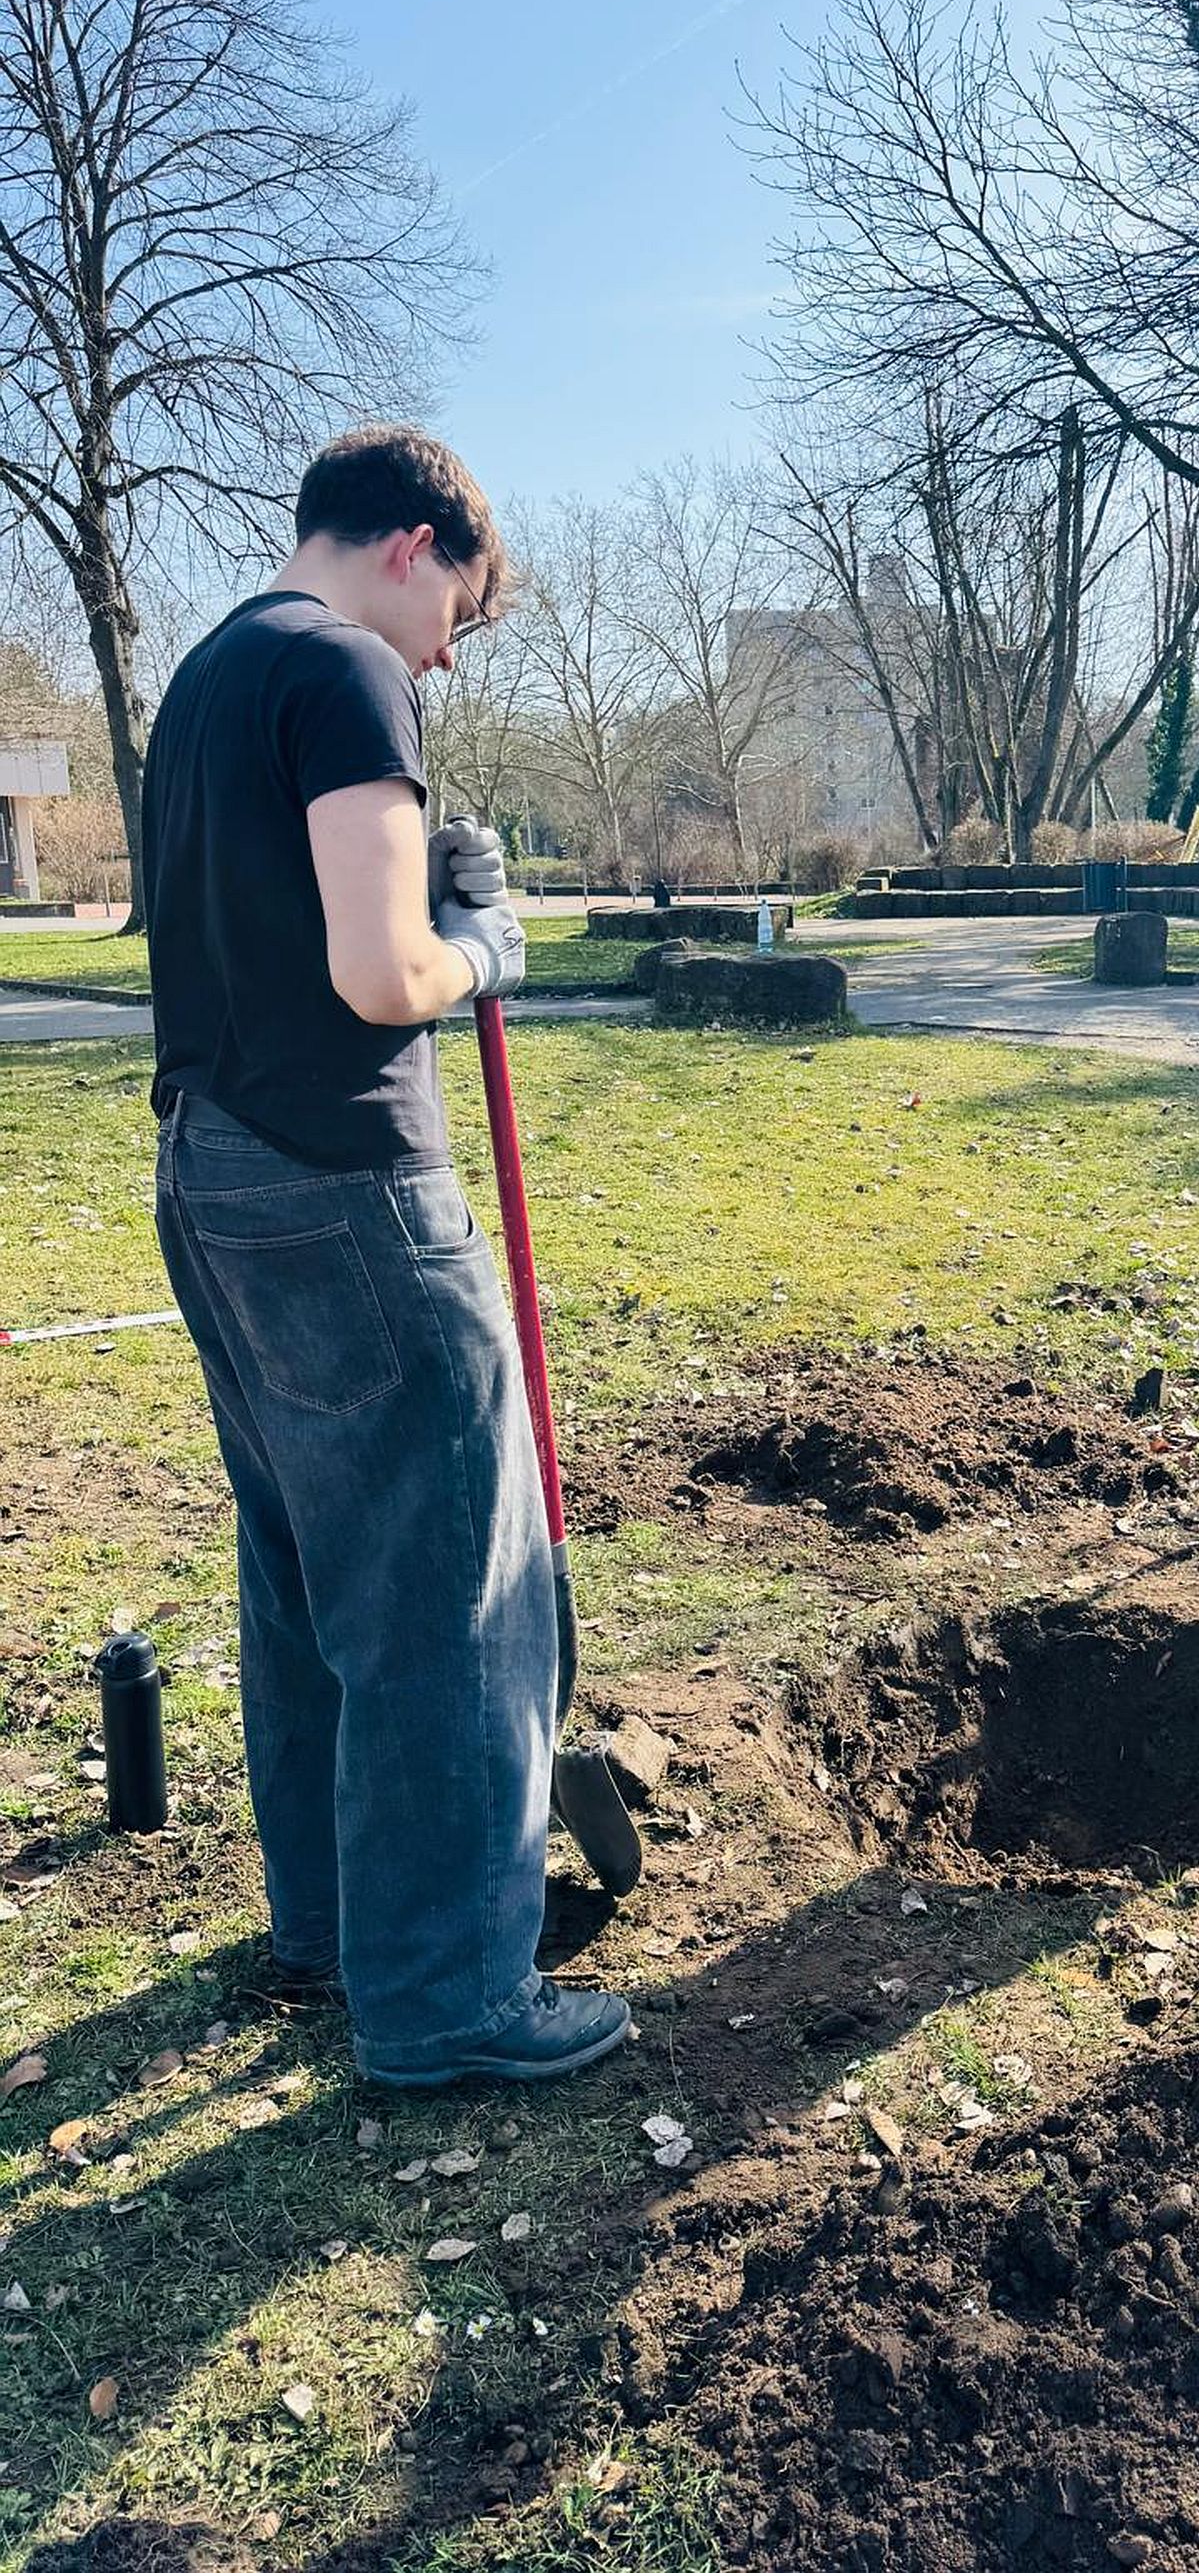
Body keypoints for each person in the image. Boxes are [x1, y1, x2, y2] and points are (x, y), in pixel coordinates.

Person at [143, 425, 632, 2086]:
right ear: (417, 543)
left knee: (304, 1575)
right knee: (446, 1590)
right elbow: (378, 972)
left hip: (213, 1167)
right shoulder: (347, 667)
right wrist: (482, 942)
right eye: (461, 614)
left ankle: (331, 1926)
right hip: (344, 1184)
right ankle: (446, 1999)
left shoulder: (210, 676)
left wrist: (419, 878)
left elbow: (282, 924)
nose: (447, 654)